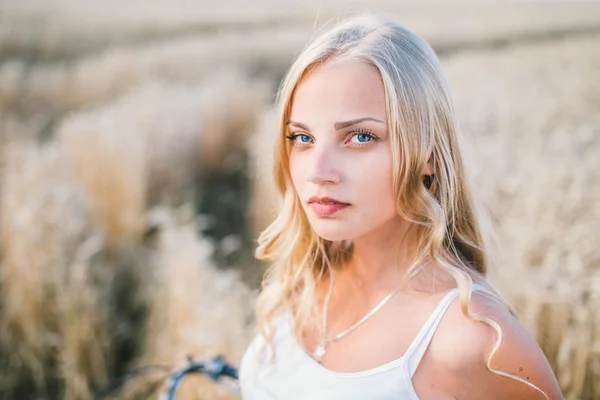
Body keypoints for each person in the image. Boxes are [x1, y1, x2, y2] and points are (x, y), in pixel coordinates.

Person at [238, 14, 563, 400]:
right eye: (302, 137)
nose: (318, 172)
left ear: (426, 153)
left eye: (360, 137)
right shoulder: (304, 280)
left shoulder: (472, 341)